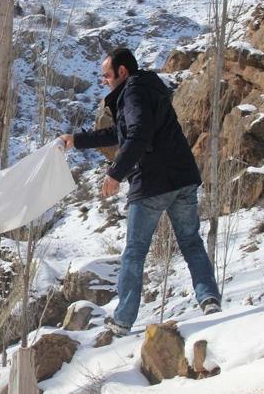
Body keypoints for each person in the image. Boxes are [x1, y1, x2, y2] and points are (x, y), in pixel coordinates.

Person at [59, 48, 221, 337]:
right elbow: (119, 133)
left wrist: (114, 173)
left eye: (107, 75)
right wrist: (77, 140)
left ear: (123, 72)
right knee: (191, 243)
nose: (104, 81)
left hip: (152, 183)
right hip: (182, 177)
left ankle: (122, 320)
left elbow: (138, 135)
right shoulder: (148, 89)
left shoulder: (132, 93)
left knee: (134, 253)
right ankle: (209, 300)